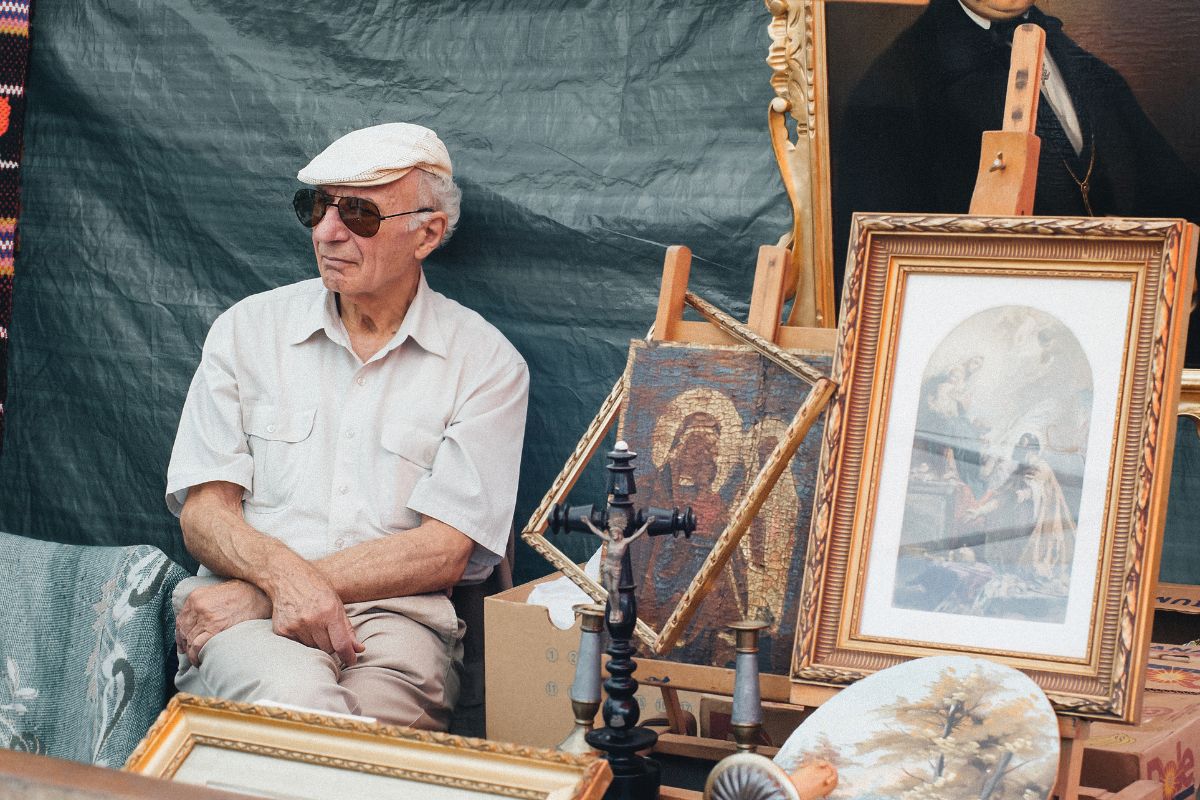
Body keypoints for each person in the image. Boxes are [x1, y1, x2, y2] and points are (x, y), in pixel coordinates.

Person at [164, 123, 529, 731]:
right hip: (247, 626)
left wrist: (276, 586)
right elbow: (204, 512)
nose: (326, 231)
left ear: (428, 232)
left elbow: (444, 550)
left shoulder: (486, 364)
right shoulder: (246, 331)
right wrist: (274, 587)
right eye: (317, 207)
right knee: (302, 709)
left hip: (396, 627)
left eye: (358, 214)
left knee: (364, 747)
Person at [834, 0, 1200, 361]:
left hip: (1123, 337)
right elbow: (887, 285)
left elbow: (1174, 195)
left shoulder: (1088, 70)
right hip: (1012, 354)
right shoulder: (890, 94)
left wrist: (1184, 273)